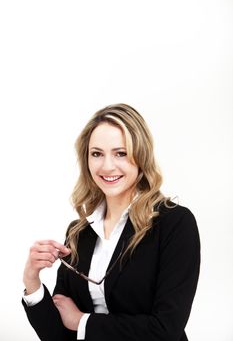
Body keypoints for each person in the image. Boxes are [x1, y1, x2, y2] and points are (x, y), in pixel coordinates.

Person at [22, 103, 200, 341]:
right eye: (96, 154)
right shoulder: (78, 233)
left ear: (141, 156)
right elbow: (59, 335)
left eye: (121, 153)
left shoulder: (175, 224)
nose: (107, 166)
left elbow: (165, 330)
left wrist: (82, 321)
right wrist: (32, 281)